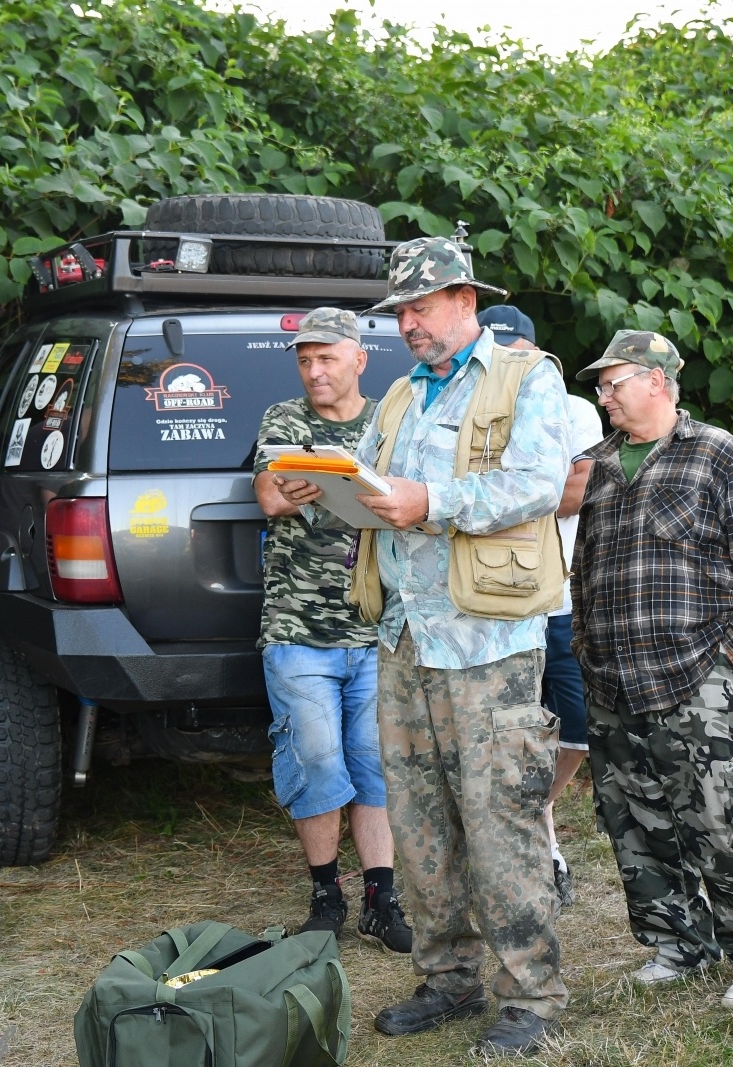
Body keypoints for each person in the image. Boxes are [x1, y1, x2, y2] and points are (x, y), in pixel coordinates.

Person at [276, 238, 572, 1055]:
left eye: (421, 306)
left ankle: (530, 995)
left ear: (466, 300)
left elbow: (540, 484)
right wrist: (325, 490)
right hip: (404, 638)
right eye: (398, 312)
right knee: (419, 821)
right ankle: (448, 977)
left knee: (500, 816)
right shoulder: (401, 395)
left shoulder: (525, 376)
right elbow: (375, 495)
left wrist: (429, 499)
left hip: (489, 643)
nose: (407, 324)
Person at [571, 329, 733, 1010]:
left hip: (701, 680)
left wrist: (732, 655)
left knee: (728, 820)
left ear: (658, 382)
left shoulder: (717, 453)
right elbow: (586, 566)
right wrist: (586, 647)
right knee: (635, 823)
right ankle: (678, 943)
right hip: (614, 681)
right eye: (600, 386)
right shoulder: (599, 466)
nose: (602, 396)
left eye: (613, 382)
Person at [254, 307, 411, 953]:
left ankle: (382, 894)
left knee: (374, 764)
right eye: (304, 360)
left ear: (358, 359)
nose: (314, 370)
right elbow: (269, 494)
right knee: (314, 759)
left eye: (326, 358)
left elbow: (404, 498)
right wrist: (341, 482)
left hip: (374, 627)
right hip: (298, 628)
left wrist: (328, 482)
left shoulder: (388, 419)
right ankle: (326, 894)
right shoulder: (284, 419)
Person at [477, 304, 603, 907]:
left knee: (577, 731)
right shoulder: (473, 406)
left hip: (564, 597)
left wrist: (494, 499)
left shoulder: (572, 408)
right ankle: (542, 849)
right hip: (495, 603)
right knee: (511, 730)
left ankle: (536, 812)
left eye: (519, 348)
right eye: (500, 349)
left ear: (535, 347)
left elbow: (579, 489)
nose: (511, 360)